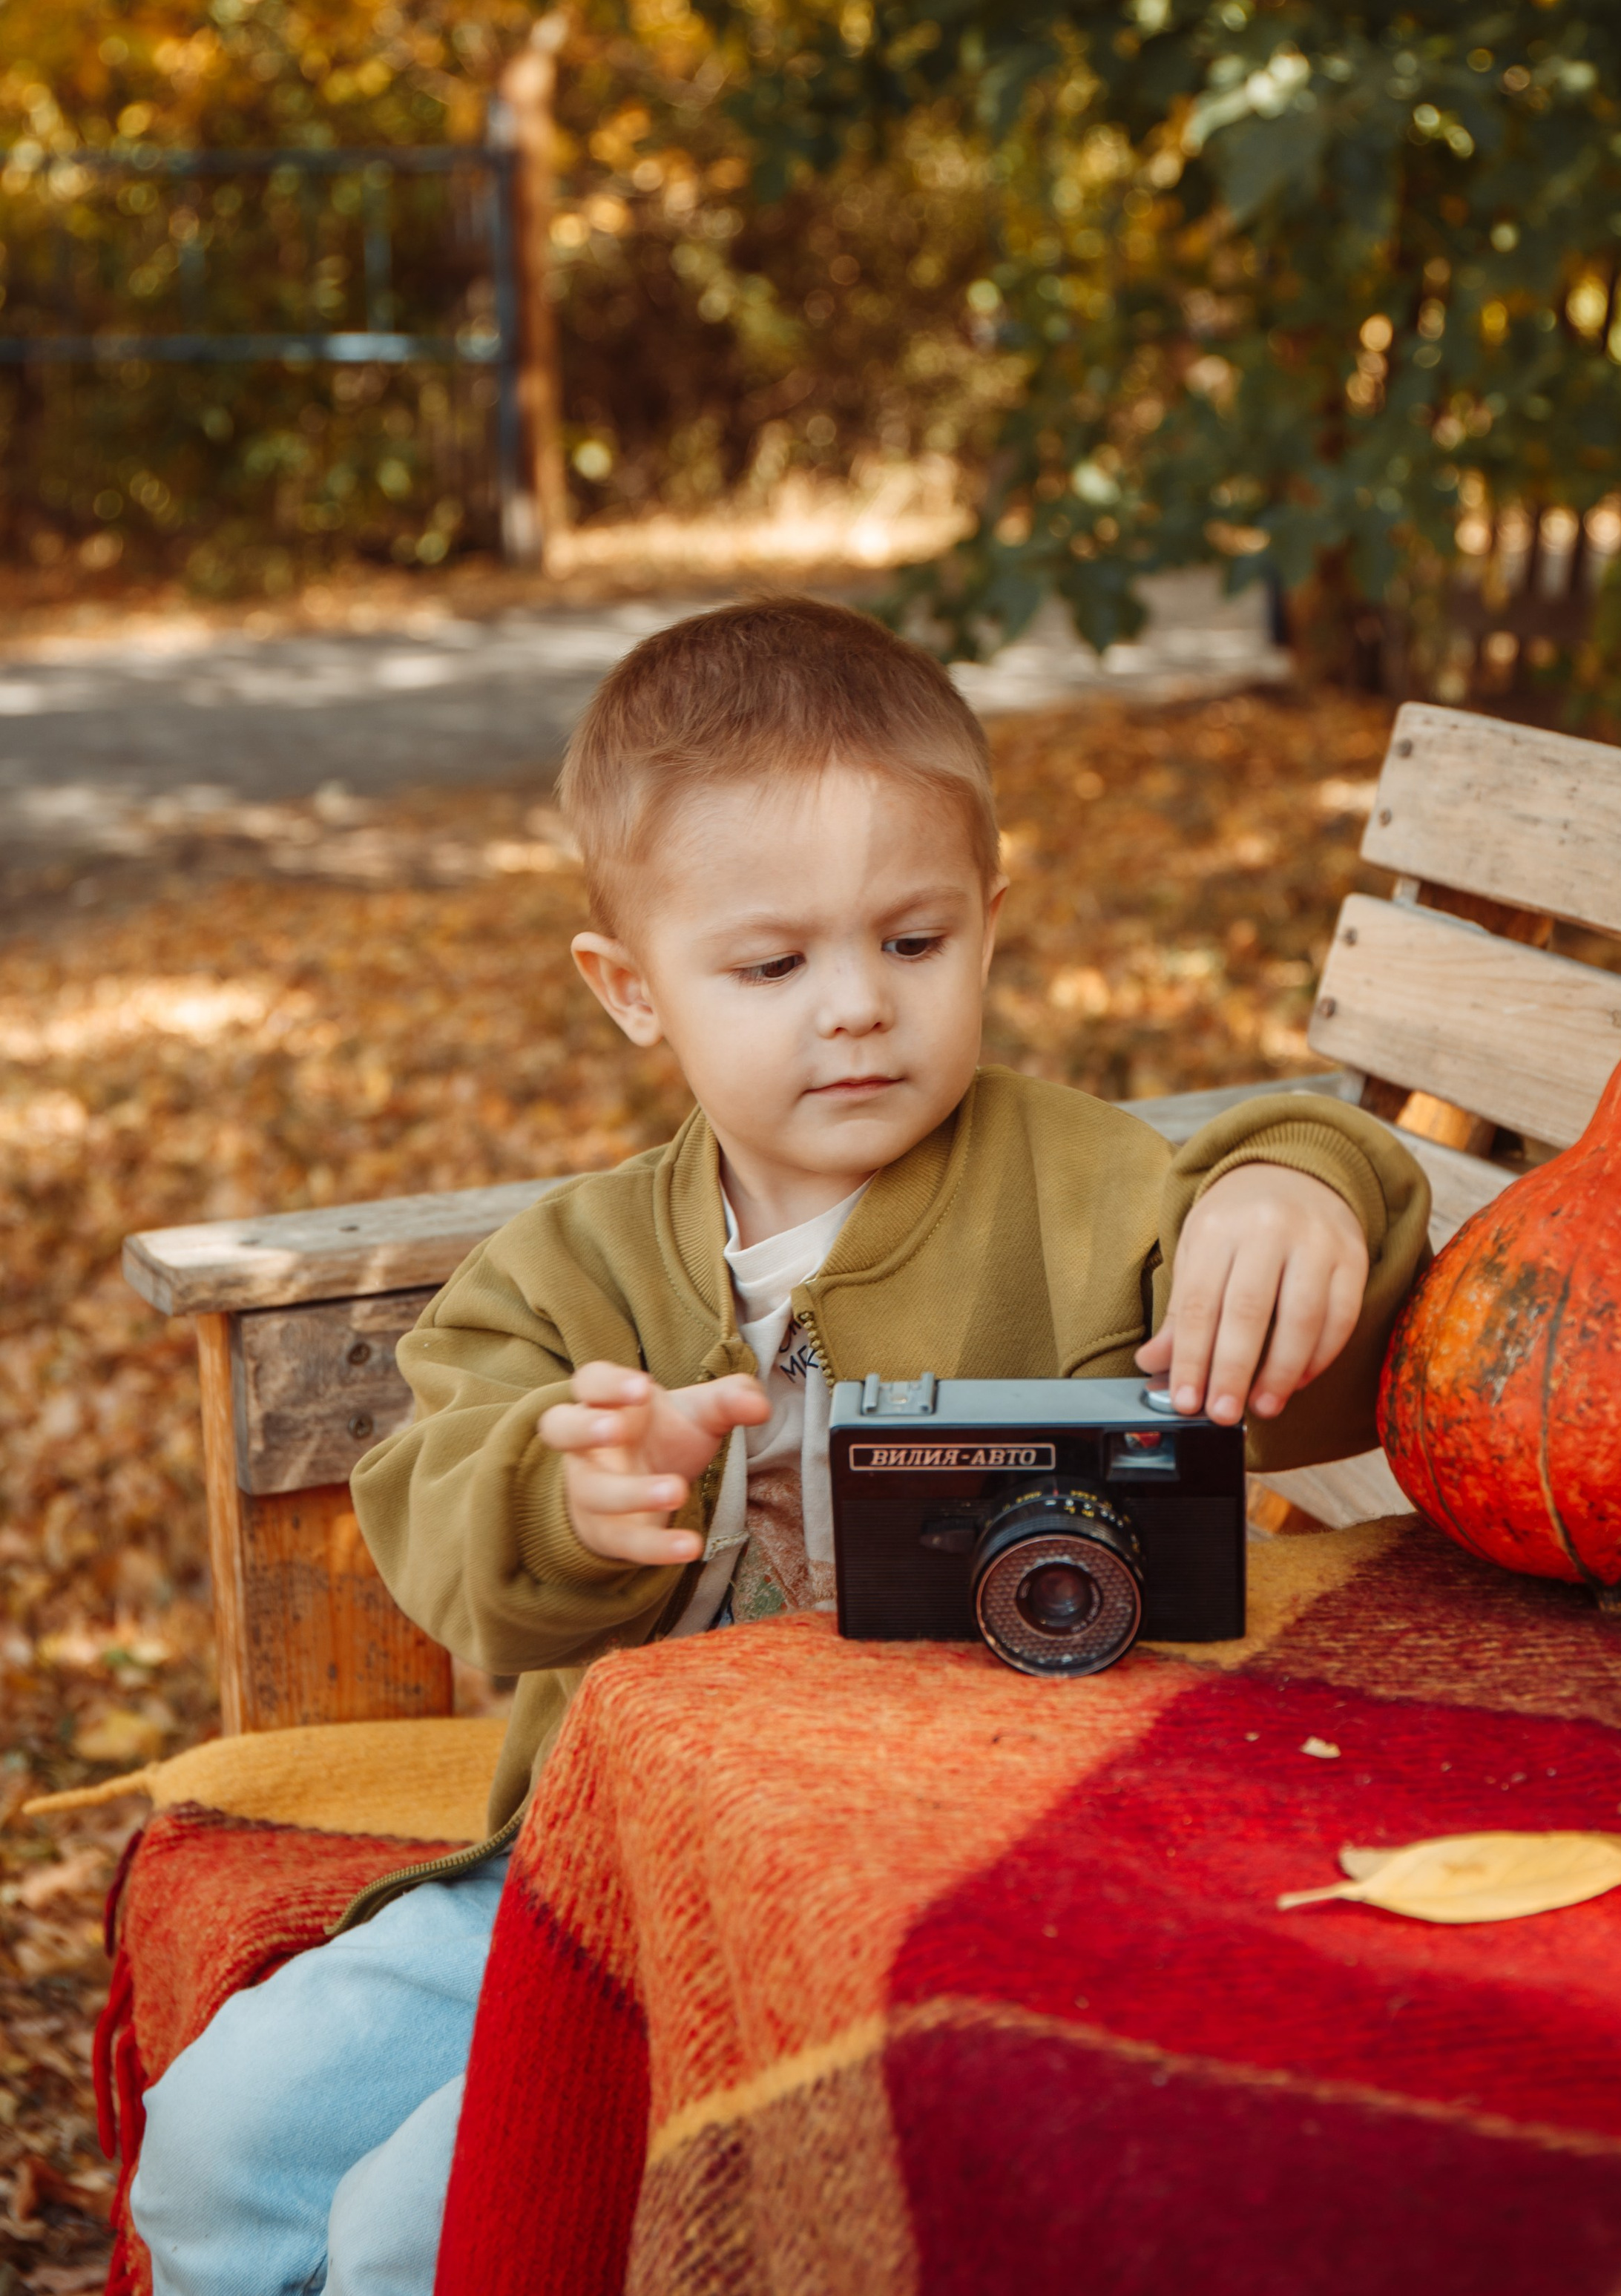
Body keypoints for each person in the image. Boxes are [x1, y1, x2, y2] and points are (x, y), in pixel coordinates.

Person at [131, 596, 1430, 2296]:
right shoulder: (563, 1269)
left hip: (915, 1878)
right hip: (589, 1869)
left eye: (913, 942)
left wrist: (1300, 1184)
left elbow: (1308, 1303)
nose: (856, 1011)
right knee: (225, 2124)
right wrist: (574, 1492)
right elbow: (456, 1550)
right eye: (771, 963)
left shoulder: (1083, 1189)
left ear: (989, 922)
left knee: (414, 2222)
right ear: (631, 990)